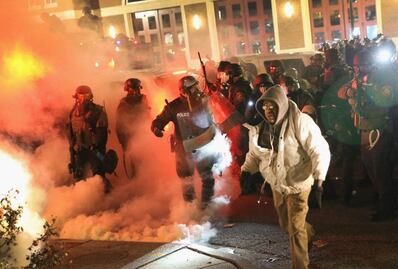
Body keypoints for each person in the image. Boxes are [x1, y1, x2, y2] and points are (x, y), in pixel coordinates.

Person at [240, 85, 331, 269]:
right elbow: (255, 154)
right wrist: (246, 171)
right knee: (285, 224)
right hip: (277, 185)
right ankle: (309, 232)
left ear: (281, 105)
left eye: (272, 107)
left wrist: (319, 182)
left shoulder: (300, 122)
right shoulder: (260, 129)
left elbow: (319, 150)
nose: (268, 111)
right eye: (265, 107)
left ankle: (300, 265)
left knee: (295, 228)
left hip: (299, 184)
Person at [338, 49, 397, 221]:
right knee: (372, 171)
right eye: (355, 66)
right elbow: (341, 92)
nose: (356, 69)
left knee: (381, 171)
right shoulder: (358, 80)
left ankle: (387, 208)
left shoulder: (382, 81)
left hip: (378, 131)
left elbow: (380, 108)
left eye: (359, 66)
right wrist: (351, 91)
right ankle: (382, 201)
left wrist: (357, 94)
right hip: (365, 131)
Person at [151, 76, 218, 208]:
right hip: (183, 149)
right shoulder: (173, 107)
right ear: (186, 90)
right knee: (187, 181)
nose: (198, 90)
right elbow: (158, 121)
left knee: (207, 178)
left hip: (203, 146)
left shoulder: (203, 102)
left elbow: (212, 121)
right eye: (194, 87)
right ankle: (191, 210)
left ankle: (207, 208)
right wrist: (156, 128)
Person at [67, 85, 113, 193]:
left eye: (86, 96)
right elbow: (71, 133)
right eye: (80, 96)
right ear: (76, 97)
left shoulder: (98, 111)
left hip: (95, 151)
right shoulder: (73, 112)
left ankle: (107, 200)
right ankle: (82, 201)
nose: (83, 99)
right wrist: (72, 150)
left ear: (90, 96)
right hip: (79, 150)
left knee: (99, 177)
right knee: (78, 177)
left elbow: (102, 135)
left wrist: (97, 148)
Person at [116, 78, 151, 178]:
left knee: (141, 162)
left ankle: (141, 181)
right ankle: (139, 182)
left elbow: (148, 116)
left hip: (141, 135)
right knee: (136, 162)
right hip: (132, 136)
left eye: (137, 89)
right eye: (134, 89)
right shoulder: (124, 102)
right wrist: (123, 140)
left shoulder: (142, 99)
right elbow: (120, 123)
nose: (136, 92)